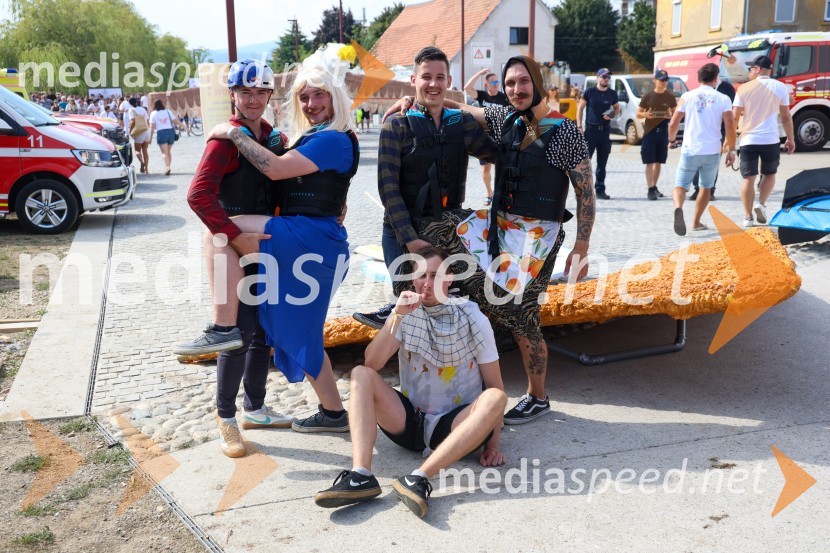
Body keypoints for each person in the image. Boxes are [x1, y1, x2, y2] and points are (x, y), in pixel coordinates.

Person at [389, 55, 596, 424]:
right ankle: (426, 295)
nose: (517, 89)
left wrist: (581, 247)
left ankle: (537, 395)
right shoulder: (506, 119)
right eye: (510, 83)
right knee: (438, 226)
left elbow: (585, 192)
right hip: (499, 228)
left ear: (537, 82)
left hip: (537, 237)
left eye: (523, 82)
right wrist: (415, 102)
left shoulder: (563, 130)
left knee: (523, 314)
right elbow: (457, 106)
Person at [180, 61, 358, 454]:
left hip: (275, 245)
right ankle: (226, 415)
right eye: (245, 93)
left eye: (261, 93)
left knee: (264, 330)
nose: (254, 99)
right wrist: (231, 236)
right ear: (233, 95)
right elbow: (198, 196)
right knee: (239, 332)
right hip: (242, 246)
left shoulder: (276, 139)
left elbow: (282, 176)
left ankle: (255, 407)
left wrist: (333, 200)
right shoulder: (224, 141)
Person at [314, 246, 506, 518]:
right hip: (409, 423)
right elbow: (372, 364)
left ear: (449, 278)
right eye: (420, 276)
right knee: (360, 374)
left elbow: (495, 387)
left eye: (435, 275)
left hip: (452, 427)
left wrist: (493, 445)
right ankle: (361, 475)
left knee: (496, 398)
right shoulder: (405, 312)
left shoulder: (473, 316)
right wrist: (397, 315)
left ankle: (420, 478)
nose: (427, 284)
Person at [351, 47, 497, 330]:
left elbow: (497, 153)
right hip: (402, 231)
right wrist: (410, 240)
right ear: (413, 80)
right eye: (426, 77)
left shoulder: (462, 123)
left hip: (448, 228)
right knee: (409, 311)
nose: (433, 84)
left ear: (449, 81)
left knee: (452, 305)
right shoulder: (397, 125)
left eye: (440, 77)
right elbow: (388, 187)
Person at [667, 63, 736, 236]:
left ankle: (678, 207)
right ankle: (696, 222)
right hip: (712, 150)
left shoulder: (687, 96)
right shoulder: (723, 98)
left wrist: (672, 139)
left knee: (680, 185)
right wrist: (731, 150)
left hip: (690, 148)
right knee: (705, 187)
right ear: (715, 78)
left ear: (699, 78)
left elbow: (674, 122)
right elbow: (730, 126)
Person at [732, 55, 795, 228]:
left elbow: (734, 116)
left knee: (748, 178)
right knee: (769, 174)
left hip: (748, 139)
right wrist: (790, 138)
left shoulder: (743, 88)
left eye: (751, 69)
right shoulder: (781, 87)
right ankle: (761, 203)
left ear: (758, 69)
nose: (750, 72)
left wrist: (730, 141)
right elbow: (786, 116)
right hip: (770, 139)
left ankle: (748, 217)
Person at [463, 67, 510, 206]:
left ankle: (499, 193)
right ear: (487, 84)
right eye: (493, 82)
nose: (496, 85)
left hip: (501, 136)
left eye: (497, 82)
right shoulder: (482, 96)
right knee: (486, 168)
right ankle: (489, 193)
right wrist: (480, 73)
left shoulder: (504, 98)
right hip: (484, 137)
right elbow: (467, 87)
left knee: (501, 167)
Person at [691, 77, 736, 201]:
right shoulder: (699, 91)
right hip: (700, 131)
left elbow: (731, 110)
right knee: (697, 161)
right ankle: (697, 189)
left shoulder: (727, 89)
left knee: (713, 162)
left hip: (718, 131)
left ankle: (710, 189)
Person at [576, 68, 619, 200]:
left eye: (608, 77)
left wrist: (611, 115)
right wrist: (579, 126)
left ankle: (600, 189)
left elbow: (617, 108)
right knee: (585, 162)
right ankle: (583, 189)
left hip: (605, 131)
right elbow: (580, 108)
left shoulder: (612, 93)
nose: (606, 79)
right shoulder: (590, 92)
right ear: (597, 78)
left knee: (602, 162)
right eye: (603, 77)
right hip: (591, 130)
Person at [636, 69, 676, 200]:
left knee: (659, 162)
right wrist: (646, 115)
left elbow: (676, 113)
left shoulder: (670, 96)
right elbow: (638, 113)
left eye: (665, 80)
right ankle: (650, 189)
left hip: (663, 132)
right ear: (655, 80)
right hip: (650, 132)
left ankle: (654, 186)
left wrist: (671, 115)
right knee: (649, 162)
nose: (664, 82)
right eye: (661, 80)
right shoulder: (648, 96)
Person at [149, 99, 180, 176]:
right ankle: (168, 166)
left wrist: (150, 138)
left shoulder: (153, 114)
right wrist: (184, 127)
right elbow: (175, 121)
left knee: (164, 153)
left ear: (154, 105)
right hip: (170, 132)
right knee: (168, 151)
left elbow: (152, 127)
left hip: (161, 133)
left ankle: (167, 167)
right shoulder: (167, 111)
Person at [125, 97, 151, 174]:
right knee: (145, 151)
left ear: (129, 103)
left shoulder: (131, 110)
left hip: (139, 132)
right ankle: (147, 169)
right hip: (146, 130)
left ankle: (142, 162)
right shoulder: (143, 109)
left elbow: (132, 121)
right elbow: (147, 120)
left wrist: (130, 131)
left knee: (137, 151)